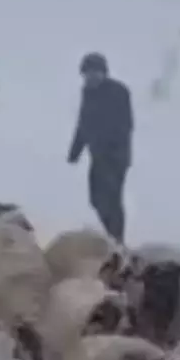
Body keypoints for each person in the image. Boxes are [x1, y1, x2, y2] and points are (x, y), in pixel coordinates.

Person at [67, 52, 133, 243]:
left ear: (104, 73)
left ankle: (118, 240)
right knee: (95, 200)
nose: (90, 78)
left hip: (116, 157)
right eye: (87, 74)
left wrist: (109, 145)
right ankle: (111, 236)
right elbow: (83, 123)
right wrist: (75, 151)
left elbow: (126, 124)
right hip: (98, 157)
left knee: (112, 200)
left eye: (95, 74)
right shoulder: (87, 93)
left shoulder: (119, 92)